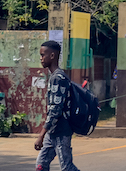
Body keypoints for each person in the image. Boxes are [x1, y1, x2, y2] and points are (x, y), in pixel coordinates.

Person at [35, 40, 79, 171]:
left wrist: (41, 135)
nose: (41, 58)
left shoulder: (58, 78)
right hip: (53, 130)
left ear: (52, 56)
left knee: (67, 167)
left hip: (61, 130)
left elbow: (55, 110)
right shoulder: (55, 76)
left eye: (43, 55)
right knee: (41, 164)